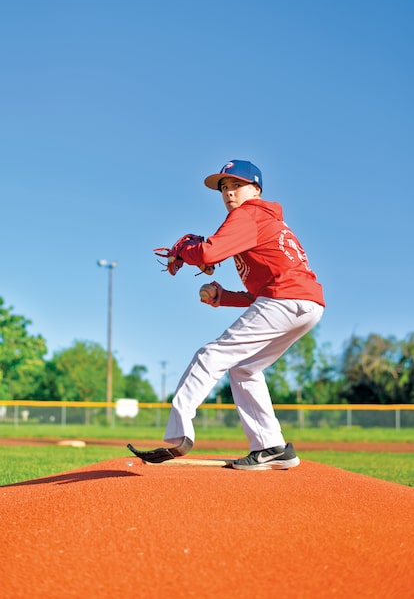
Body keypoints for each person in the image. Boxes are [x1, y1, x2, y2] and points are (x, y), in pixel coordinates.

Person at [128, 159, 325, 470]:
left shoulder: (249, 213)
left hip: (286, 300)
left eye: (237, 184)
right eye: (224, 187)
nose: (229, 192)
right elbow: (260, 294)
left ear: (256, 189)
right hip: (305, 304)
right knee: (244, 369)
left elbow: (207, 253)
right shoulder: (266, 222)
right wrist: (223, 297)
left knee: (211, 355)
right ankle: (271, 446)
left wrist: (184, 250)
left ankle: (179, 433)